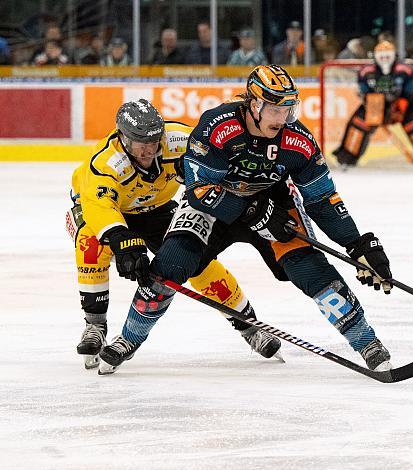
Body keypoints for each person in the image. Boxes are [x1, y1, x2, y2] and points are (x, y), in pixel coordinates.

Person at [99, 65, 395, 375]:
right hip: (215, 206)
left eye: (288, 108)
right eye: (274, 109)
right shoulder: (217, 125)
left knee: (311, 270)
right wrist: (252, 211)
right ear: (254, 104)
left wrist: (358, 243)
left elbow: (322, 200)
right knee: (169, 265)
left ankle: (367, 343)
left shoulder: (299, 141)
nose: (282, 119)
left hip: (274, 206)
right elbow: (199, 191)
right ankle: (128, 338)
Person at [66, 99, 282, 370]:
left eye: (154, 141)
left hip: (155, 209)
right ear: (123, 138)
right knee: (90, 243)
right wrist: (123, 242)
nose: (148, 150)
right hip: (99, 210)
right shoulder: (105, 163)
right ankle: (95, 325)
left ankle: (248, 324)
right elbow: (99, 207)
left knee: (196, 260)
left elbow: (218, 154)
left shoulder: (179, 139)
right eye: (140, 143)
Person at [333, 41, 413, 168]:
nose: (385, 59)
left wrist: (403, 104)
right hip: (376, 104)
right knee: (358, 124)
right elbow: (362, 91)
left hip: (403, 104)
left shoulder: (406, 69)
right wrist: (368, 101)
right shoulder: (366, 72)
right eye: (382, 56)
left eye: (388, 55)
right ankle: (347, 157)